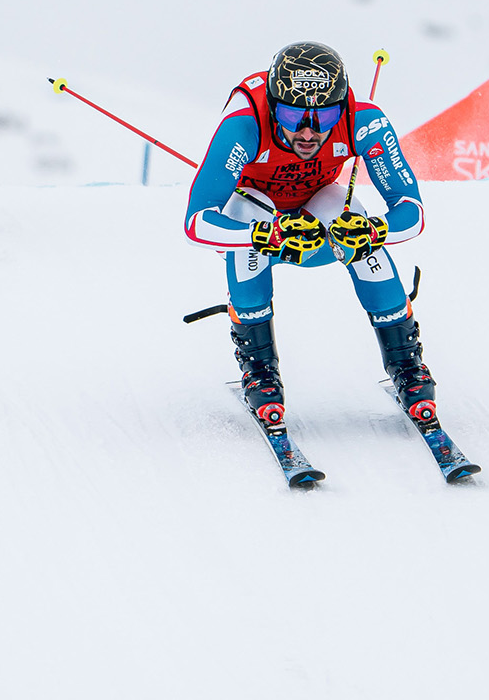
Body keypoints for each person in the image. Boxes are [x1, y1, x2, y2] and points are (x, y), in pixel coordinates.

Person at [183, 41, 431, 433]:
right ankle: (259, 369)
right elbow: (197, 221)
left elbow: (411, 210)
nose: (308, 131)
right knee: (248, 208)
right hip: (257, 217)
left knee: (351, 219)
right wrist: (263, 234)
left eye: (325, 115)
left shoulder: (364, 121)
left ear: (342, 108)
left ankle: (406, 363)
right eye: (292, 114)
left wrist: (374, 230)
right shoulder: (244, 124)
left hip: (319, 214)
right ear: (273, 105)